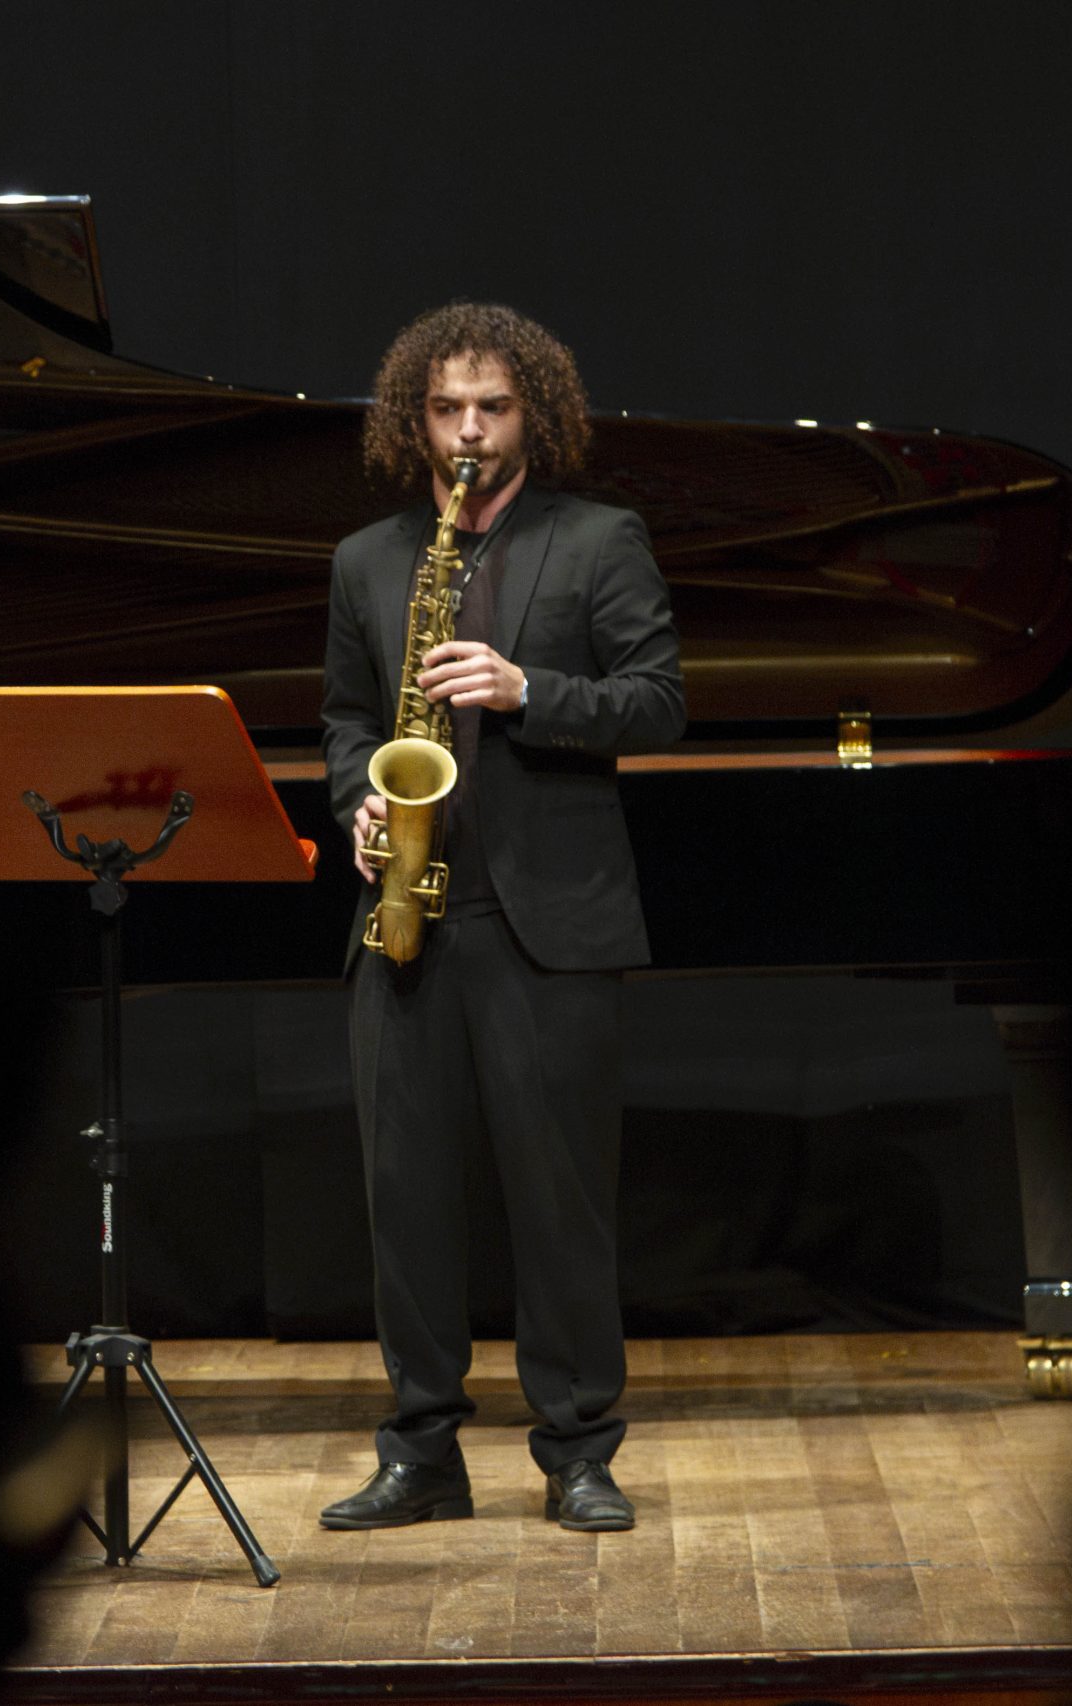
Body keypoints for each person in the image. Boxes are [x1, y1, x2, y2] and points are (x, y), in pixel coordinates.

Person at [316, 302, 685, 1532]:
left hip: (550, 923)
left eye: (493, 406)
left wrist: (528, 688)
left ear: (534, 413)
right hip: (406, 913)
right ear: (411, 420)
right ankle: (422, 1449)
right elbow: (344, 718)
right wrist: (361, 798)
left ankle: (577, 1448)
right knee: (404, 1203)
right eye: (446, 409)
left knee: (559, 1201)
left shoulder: (598, 539)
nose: (468, 430)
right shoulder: (368, 559)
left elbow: (657, 702)